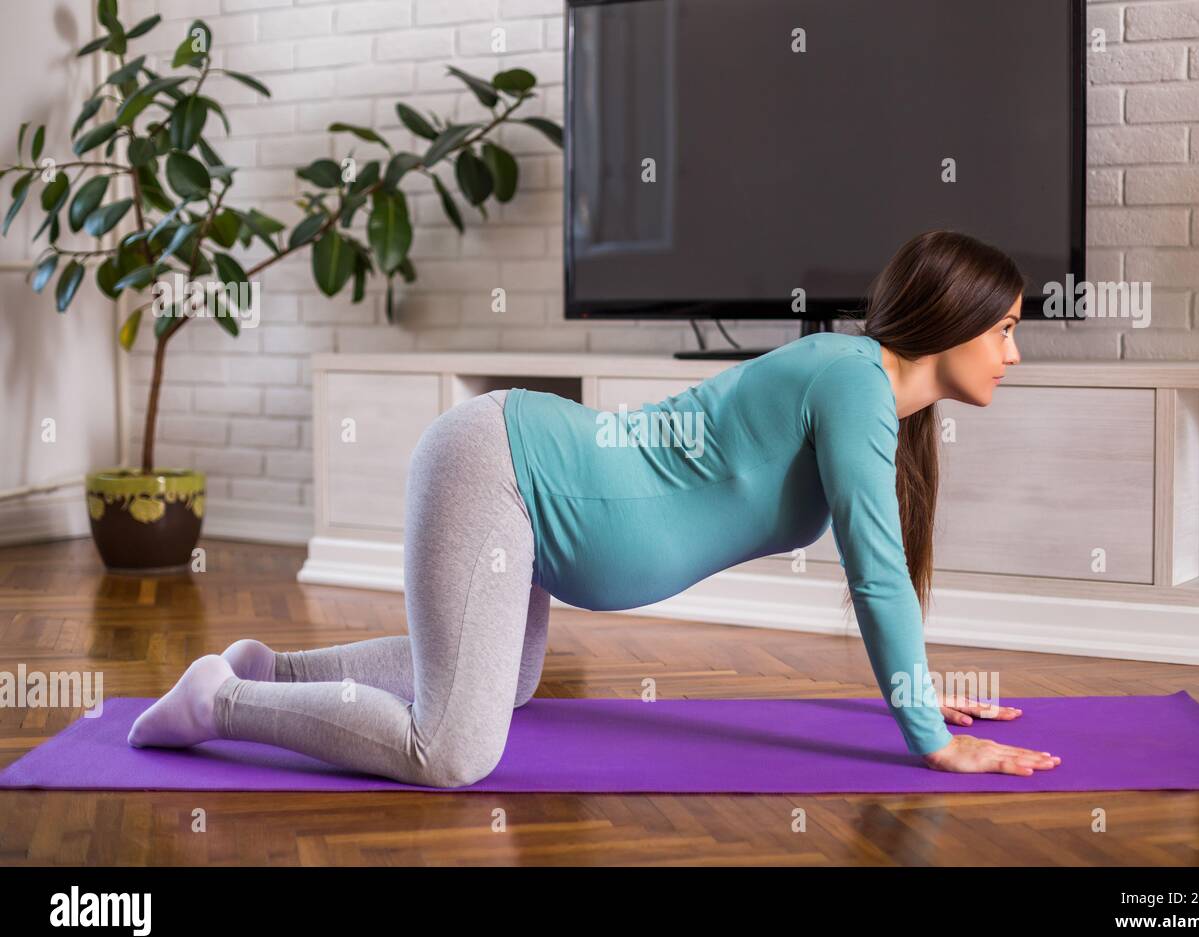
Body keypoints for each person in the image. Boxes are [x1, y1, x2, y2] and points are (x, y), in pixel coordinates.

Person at [128, 229, 1062, 785]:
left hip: (526, 486)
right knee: (452, 752)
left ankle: (267, 668)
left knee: (512, 683)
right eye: (1008, 328)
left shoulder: (866, 396)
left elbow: (883, 564)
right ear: (955, 316)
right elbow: (877, 572)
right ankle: (222, 701)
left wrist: (917, 690)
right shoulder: (855, 378)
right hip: (503, 466)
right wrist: (927, 737)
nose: (1014, 354)